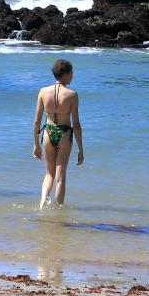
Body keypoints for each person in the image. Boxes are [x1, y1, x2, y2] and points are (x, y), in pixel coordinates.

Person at [33, 59, 84, 208]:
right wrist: (81, 148)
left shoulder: (43, 91)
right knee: (60, 177)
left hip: (48, 132)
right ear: (65, 75)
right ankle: (58, 210)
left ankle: (43, 202)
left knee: (49, 173)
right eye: (72, 74)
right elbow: (76, 124)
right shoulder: (72, 95)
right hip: (64, 134)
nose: (73, 76)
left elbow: (36, 121)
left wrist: (36, 144)